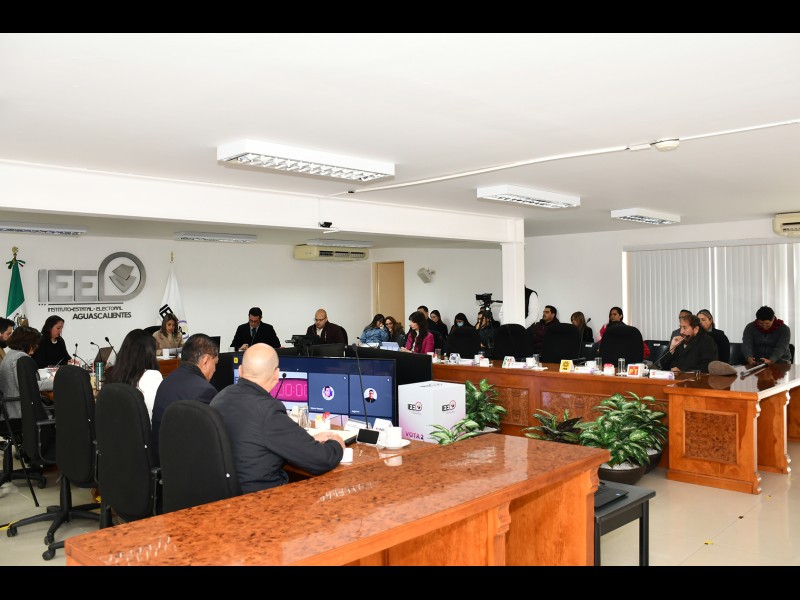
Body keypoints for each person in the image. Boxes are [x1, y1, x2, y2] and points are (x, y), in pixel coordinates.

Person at [210, 343, 344, 493]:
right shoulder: (268, 411)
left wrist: (308, 440)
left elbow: (254, 439)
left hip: (226, 497)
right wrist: (336, 444)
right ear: (276, 374)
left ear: (240, 370)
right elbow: (321, 460)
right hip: (262, 498)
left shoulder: (220, 397)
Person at [151, 333, 220, 462]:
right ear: (205, 361)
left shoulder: (167, 381)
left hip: (162, 459)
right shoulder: (204, 390)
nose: (215, 369)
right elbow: (213, 440)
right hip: (184, 465)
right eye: (215, 363)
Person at [106, 329, 163, 421]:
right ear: (149, 353)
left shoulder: (114, 374)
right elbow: (159, 414)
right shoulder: (152, 376)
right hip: (147, 428)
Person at [0, 326, 53, 419]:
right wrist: (56, 381)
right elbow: (28, 386)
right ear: (28, 343)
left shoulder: (11, 355)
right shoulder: (20, 359)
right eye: (35, 343)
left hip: (13, 408)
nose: (36, 347)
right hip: (22, 411)